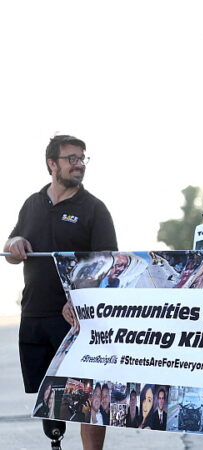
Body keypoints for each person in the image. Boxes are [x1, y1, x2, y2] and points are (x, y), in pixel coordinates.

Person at [4, 135, 116, 449]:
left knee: (85, 399)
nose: (79, 164)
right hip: (36, 316)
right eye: (72, 158)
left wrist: (81, 301)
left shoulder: (94, 208)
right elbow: (12, 247)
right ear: (52, 164)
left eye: (82, 158)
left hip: (77, 322)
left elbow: (108, 265)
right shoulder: (33, 203)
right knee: (51, 403)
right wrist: (13, 244)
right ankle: (56, 442)